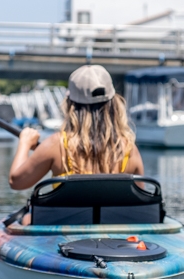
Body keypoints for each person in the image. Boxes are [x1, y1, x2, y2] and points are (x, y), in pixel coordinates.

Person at [9, 64, 143, 192]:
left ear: (71, 104)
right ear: (113, 103)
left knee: (28, 216)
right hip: (110, 217)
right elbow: (142, 203)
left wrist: (25, 143)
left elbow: (16, 182)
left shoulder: (56, 145)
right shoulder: (129, 149)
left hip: (67, 216)